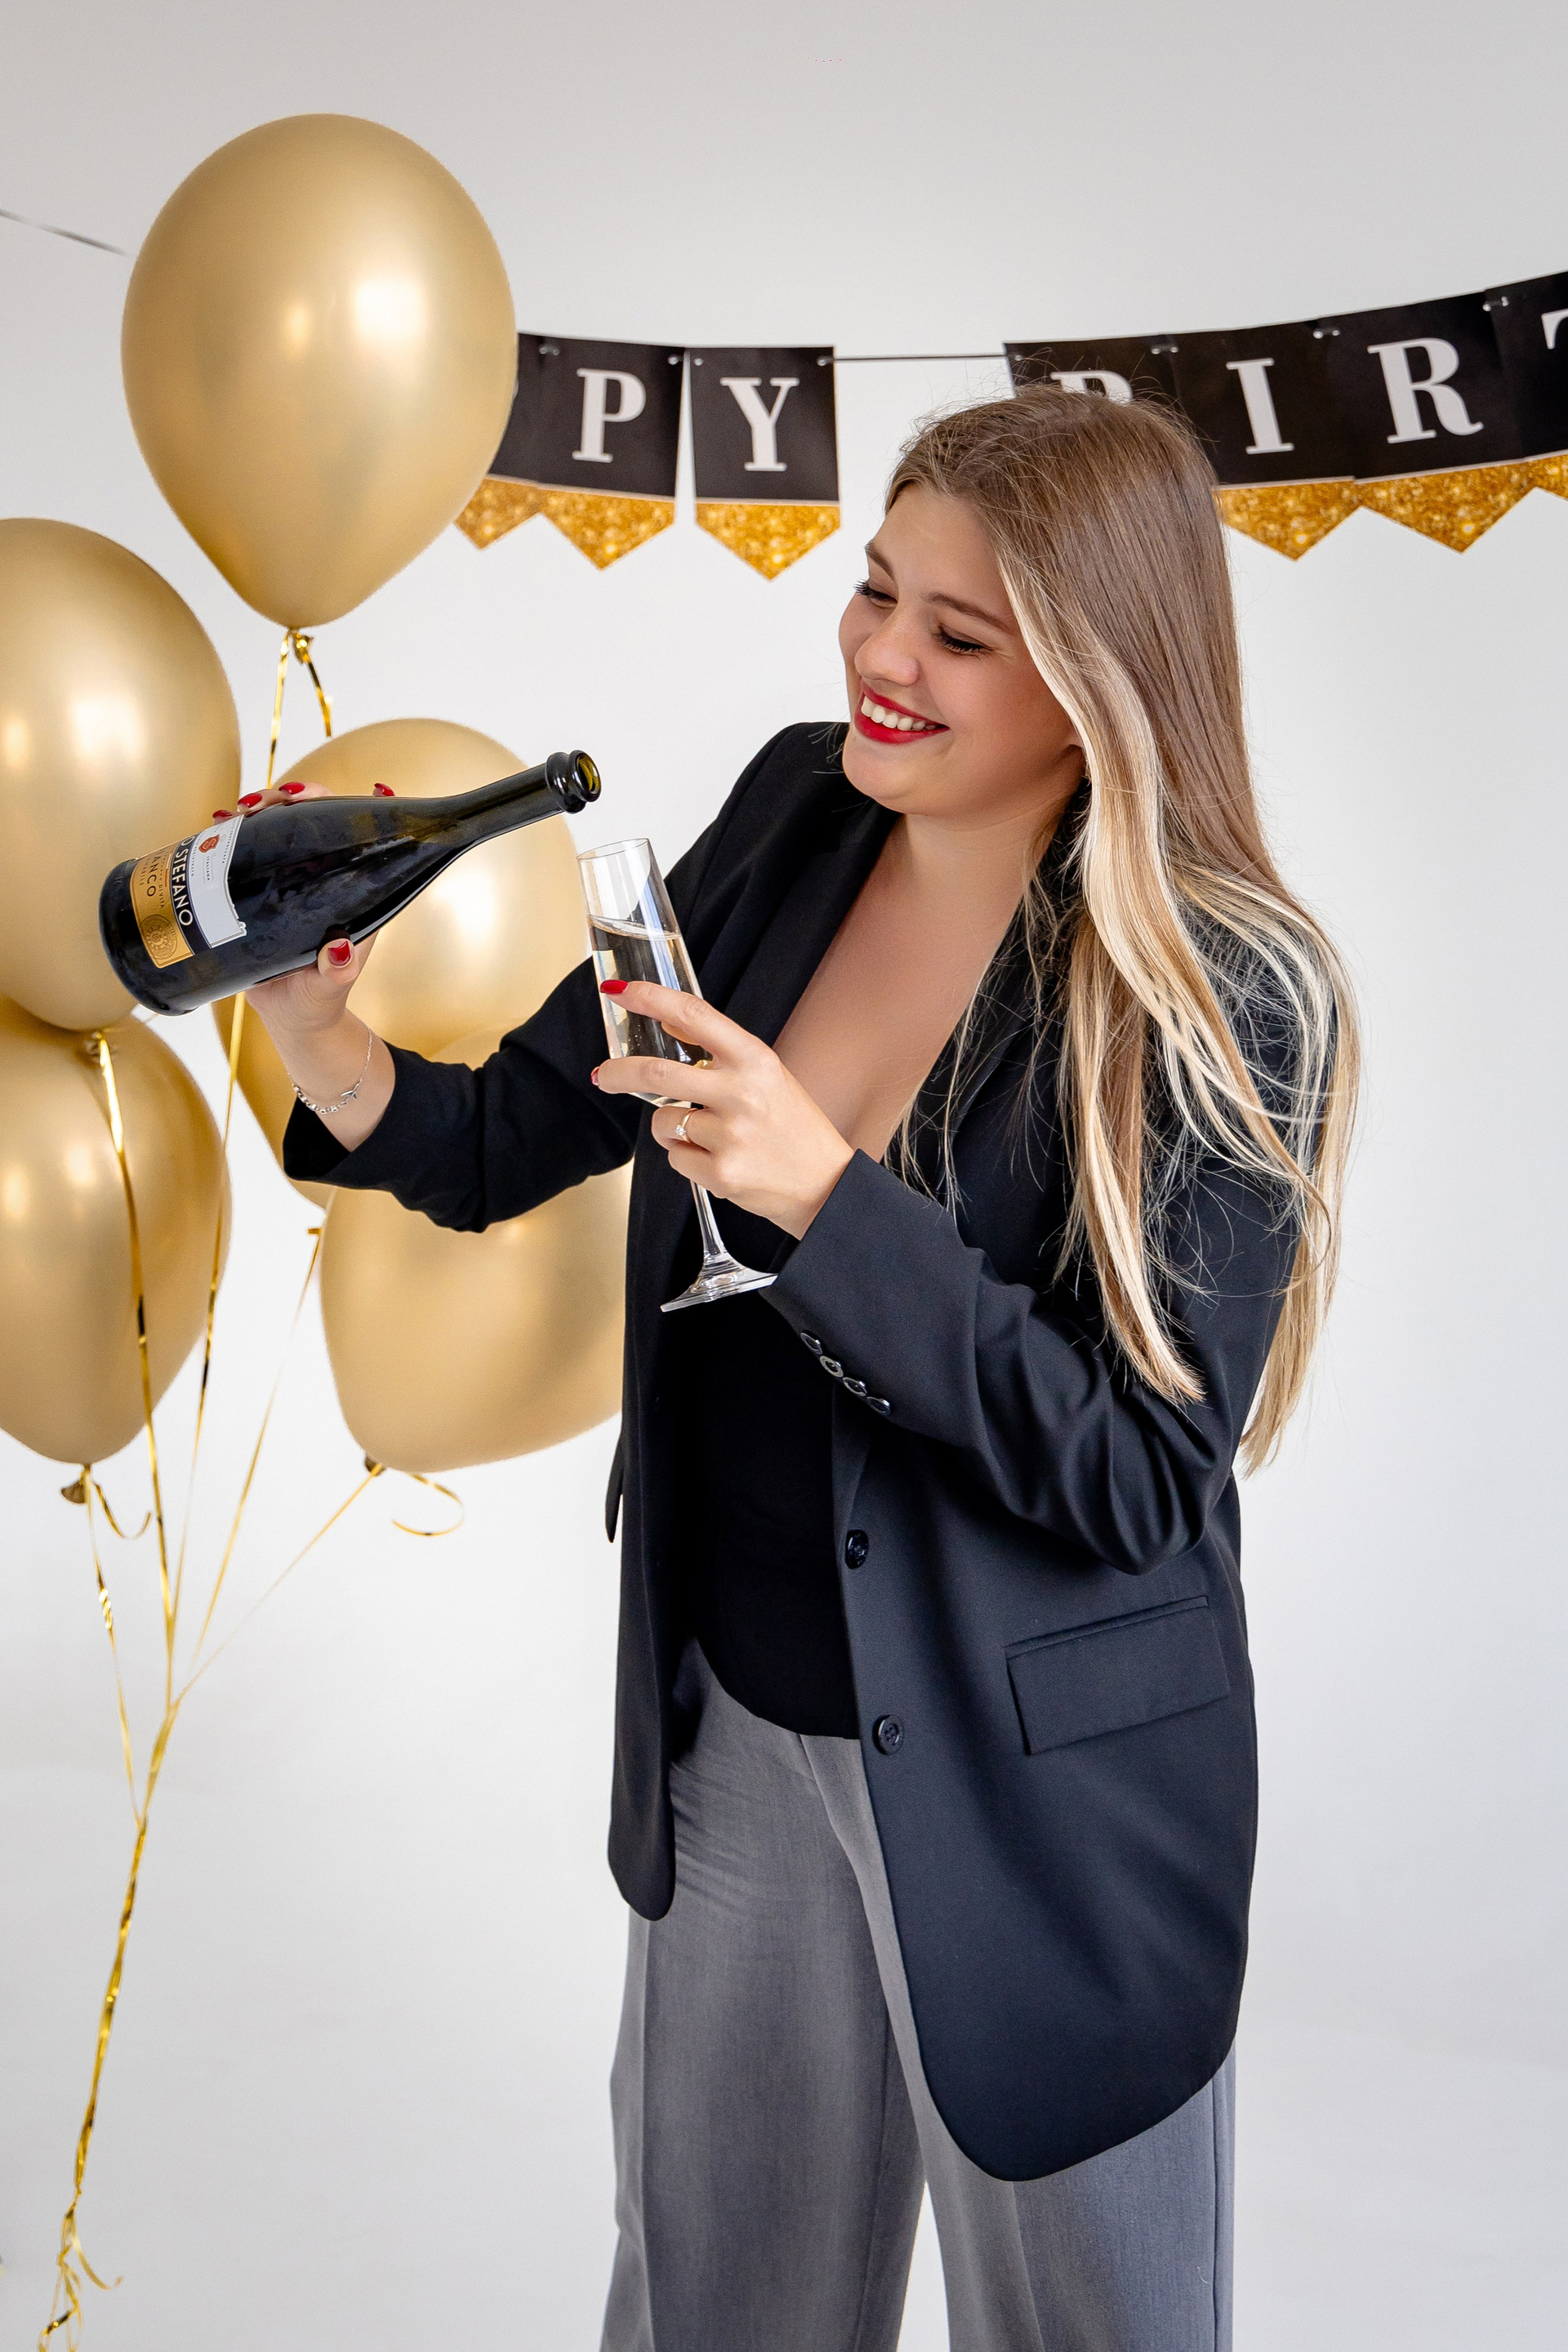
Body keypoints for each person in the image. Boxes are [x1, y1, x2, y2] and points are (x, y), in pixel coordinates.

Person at [252, 382, 1359, 2352]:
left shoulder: (1229, 985)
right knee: (713, 2310)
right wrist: (318, 1039)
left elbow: (1138, 1477)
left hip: (1038, 1801)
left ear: (1101, 679)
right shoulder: (798, 810)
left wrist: (825, 1203)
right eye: (874, 592)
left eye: (959, 633)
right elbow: (517, 1134)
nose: (881, 657)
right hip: (738, 1724)